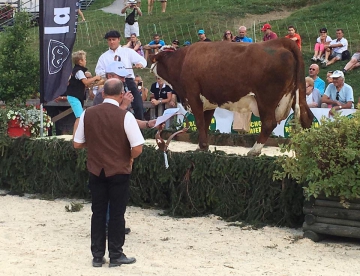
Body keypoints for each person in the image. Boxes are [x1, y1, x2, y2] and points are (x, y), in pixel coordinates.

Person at [73, 78, 144, 268]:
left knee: (98, 212)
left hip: (96, 169)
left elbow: (77, 143)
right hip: (119, 170)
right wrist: (128, 158)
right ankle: (116, 254)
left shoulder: (88, 113)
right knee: (117, 214)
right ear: (122, 95)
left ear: (103, 93)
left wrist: (95, 144)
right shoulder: (125, 116)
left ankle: (97, 256)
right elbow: (138, 147)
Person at [95, 30, 147, 120]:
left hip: (127, 81)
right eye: (109, 40)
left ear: (119, 39)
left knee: (138, 104)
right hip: (111, 83)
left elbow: (143, 61)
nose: (111, 42)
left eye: (114, 39)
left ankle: (138, 127)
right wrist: (110, 73)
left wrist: (140, 64)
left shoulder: (127, 52)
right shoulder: (104, 56)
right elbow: (98, 71)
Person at [66, 50, 101, 119]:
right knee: (79, 117)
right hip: (74, 96)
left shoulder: (78, 70)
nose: (86, 61)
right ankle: (77, 129)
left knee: (79, 116)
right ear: (80, 61)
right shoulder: (79, 71)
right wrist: (95, 78)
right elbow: (86, 82)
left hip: (75, 96)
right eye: (84, 59)